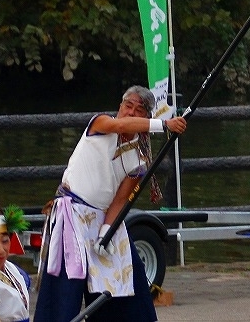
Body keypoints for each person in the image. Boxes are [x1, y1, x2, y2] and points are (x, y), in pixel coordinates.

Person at [34, 85, 187, 322]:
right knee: (65, 285)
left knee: (125, 278)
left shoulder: (139, 159)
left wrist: (107, 231)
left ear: (146, 116)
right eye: (128, 106)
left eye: (139, 110)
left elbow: (120, 200)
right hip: (71, 214)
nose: (131, 113)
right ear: (120, 106)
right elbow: (120, 126)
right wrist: (164, 125)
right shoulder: (101, 124)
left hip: (104, 219)